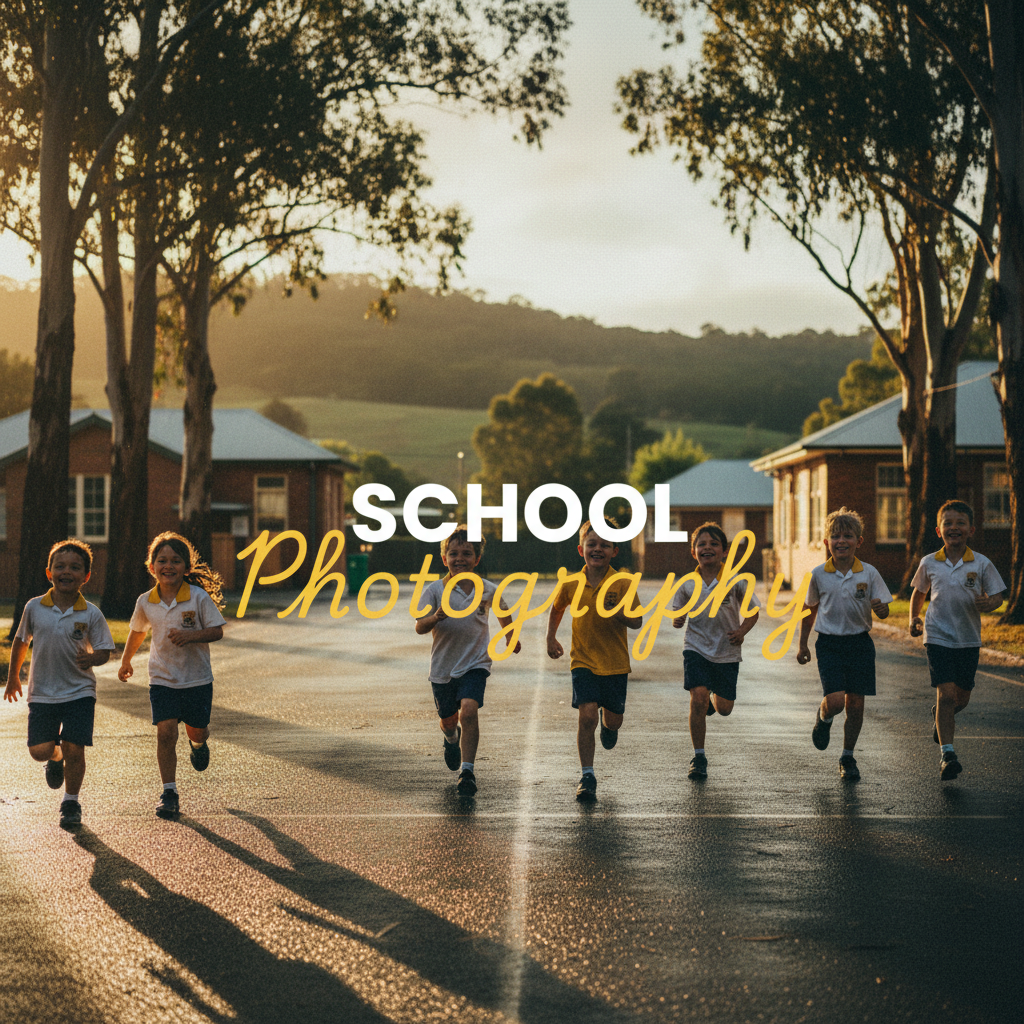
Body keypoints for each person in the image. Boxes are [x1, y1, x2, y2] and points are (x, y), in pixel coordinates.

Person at [4, 540, 115, 827]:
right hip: (42, 692)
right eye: (60, 566)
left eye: (75, 567)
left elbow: (105, 650)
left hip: (80, 691)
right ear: (49, 572)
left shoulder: (91, 613)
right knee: (39, 750)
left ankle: (71, 802)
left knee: (75, 747)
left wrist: (93, 658)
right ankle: (55, 757)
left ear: (85, 576)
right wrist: (13, 677)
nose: (67, 572)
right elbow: (21, 641)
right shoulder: (34, 607)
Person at [118, 532, 226, 819]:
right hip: (162, 679)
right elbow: (138, 631)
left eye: (176, 561)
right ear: (151, 566)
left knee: (196, 729)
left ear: (186, 567)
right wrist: (126, 660)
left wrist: (191, 636)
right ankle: (169, 792)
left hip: (196, 679)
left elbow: (217, 631)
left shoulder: (197, 597)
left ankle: (198, 744)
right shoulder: (146, 601)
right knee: (165, 733)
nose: (168, 566)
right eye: (162, 560)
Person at [415, 525, 520, 796]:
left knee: (469, 711)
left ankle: (467, 771)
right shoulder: (434, 590)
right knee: (449, 720)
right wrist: (435, 617)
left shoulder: (487, 589)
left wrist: (510, 636)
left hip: (475, 663)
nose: (459, 558)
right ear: (444, 558)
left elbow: (503, 610)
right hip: (443, 668)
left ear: (477, 558)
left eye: (466, 553)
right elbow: (419, 626)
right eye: (453, 553)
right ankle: (451, 739)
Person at [547, 518, 643, 802]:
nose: (598, 548)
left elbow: (637, 621)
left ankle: (609, 725)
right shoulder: (571, 583)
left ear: (615, 551)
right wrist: (551, 637)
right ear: (581, 549)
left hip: (615, 664)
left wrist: (618, 612)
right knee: (586, 715)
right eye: (592, 544)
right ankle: (587, 776)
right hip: (583, 661)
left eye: (605, 545)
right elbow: (557, 608)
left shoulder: (623, 583)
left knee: (614, 721)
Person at [909, 499, 1006, 781]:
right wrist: (914, 618)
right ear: (939, 530)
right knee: (947, 694)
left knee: (961, 698)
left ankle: (940, 715)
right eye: (948, 523)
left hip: (968, 638)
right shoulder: (929, 562)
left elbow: (998, 596)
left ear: (971, 529)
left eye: (960, 523)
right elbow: (919, 592)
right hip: (937, 636)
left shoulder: (981, 563)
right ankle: (947, 755)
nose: (954, 528)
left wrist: (990, 604)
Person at [796, 507, 891, 781]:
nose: (841, 541)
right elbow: (808, 610)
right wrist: (802, 644)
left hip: (860, 644)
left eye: (848, 536)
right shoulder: (818, 574)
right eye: (836, 536)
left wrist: (882, 610)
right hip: (830, 645)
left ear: (858, 541)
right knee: (836, 701)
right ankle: (824, 717)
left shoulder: (869, 573)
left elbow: (884, 609)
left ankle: (847, 757)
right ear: (827, 542)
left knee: (856, 706)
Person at [671, 522, 760, 780]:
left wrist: (741, 631)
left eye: (713, 544)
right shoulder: (687, 583)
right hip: (695, 648)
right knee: (697, 698)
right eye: (701, 544)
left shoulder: (735, 580)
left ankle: (713, 700)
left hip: (726, 651)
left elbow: (753, 612)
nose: (707, 548)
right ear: (693, 552)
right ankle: (698, 757)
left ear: (725, 551)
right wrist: (678, 619)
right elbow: (677, 613)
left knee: (725, 708)